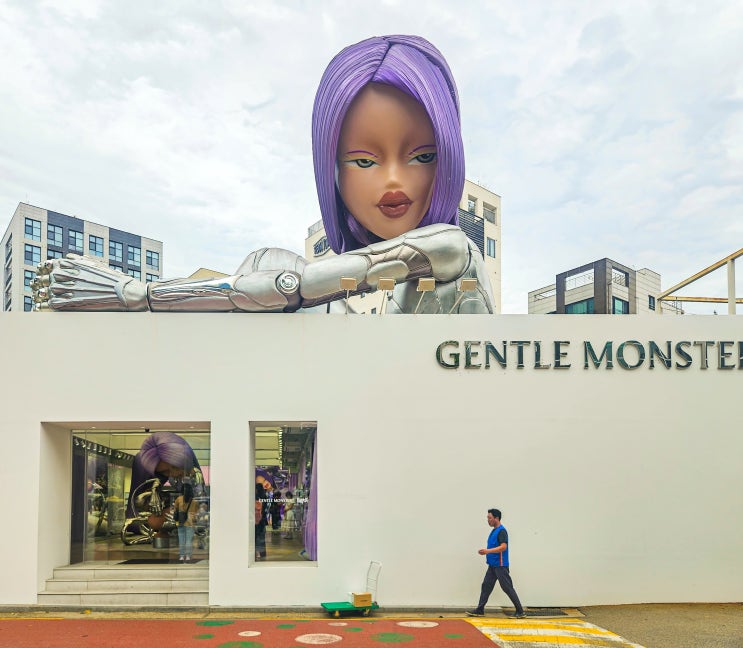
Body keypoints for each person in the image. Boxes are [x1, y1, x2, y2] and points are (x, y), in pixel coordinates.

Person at [33, 35, 493, 315]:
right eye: (364, 161)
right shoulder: (398, 291)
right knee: (270, 259)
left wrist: (138, 293)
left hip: (442, 421)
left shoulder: (448, 247)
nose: (393, 181)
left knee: (276, 271)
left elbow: (298, 287)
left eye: (422, 155)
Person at [466, 508, 526, 618]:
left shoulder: (502, 531)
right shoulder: (494, 530)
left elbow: (503, 547)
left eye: (490, 518)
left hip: (500, 566)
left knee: (507, 587)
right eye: (487, 518)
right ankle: (480, 610)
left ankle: (520, 611)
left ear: (496, 518)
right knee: (486, 586)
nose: (488, 520)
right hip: (493, 565)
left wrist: (487, 551)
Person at [173, 483, 199, 563]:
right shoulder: (194, 502)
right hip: (190, 522)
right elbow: (196, 513)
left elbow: (175, 510)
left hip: (180, 521)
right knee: (188, 540)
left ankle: (181, 556)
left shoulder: (178, 499)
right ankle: (187, 556)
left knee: (181, 539)